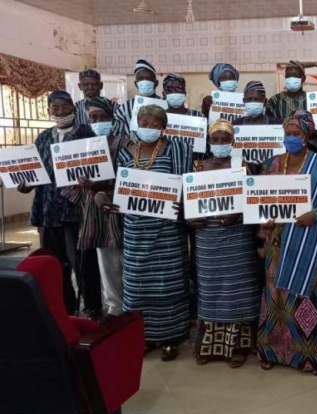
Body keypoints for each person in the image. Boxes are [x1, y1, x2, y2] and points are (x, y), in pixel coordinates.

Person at [97, 105, 193, 361]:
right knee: (137, 285)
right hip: (135, 230)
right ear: (136, 124)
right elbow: (120, 187)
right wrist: (105, 198)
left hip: (167, 231)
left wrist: (182, 202)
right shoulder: (125, 153)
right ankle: (142, 336)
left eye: (154, 124)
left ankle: (170, 337)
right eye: (144, 123)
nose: (149, 128)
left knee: (168, 285)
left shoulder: (177, 148)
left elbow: (185, 184)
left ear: (164, 127)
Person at [257, 110, 317, 375]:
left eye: (296, 133)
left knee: (311, 296)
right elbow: (261, 200)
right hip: (277, 242)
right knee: (276, 296)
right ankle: (272, 351)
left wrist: (316, 213)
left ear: (306, 136)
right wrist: (264, 221)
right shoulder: (271, 165)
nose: (291, 138)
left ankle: (314, 356)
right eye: (288, 134)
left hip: (311, 240)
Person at [187, 119, 259, 367]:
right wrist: (191, 218)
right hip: (207, 239)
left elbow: (255, 200)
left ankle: (239, 346)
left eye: (224, 139)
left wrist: (238, 215)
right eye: (215, 139)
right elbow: (189, 201)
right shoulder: (198, 167)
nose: (219, 143)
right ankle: (209, 346)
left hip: (237, 238)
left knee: (238, 291)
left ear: (233, 142)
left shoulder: (243, 167)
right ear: (209, 141)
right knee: (211, 292)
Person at [17, 91, 96, 314]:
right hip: (48, 211)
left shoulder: (87, 134)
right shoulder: (43, 137)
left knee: (82, 262)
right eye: (55, 108)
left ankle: (92, 308)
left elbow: (97, 167)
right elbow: (36, 170)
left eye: (65, 107)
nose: (60, 112)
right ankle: (64, 309)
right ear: (49, 111)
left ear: (73, 108)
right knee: (55, 263)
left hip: (77, 211)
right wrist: (26, 184)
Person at [61, 97, 129, 317]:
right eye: (94, 118)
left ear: (112, 119)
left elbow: (133, 179)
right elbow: (68, 182)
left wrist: (104, 187)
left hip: (121, 210)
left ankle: (133, 306)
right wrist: (84, 189)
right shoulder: (82, 148)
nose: (99, 121)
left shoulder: (125, 144)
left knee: (128, 260)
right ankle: (114, 307)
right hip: (95, 213)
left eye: (103, 117)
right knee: (106, 262)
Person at [114, 59, 161, 138]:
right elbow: (117, 132)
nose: (144, 81)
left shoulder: (165, 104)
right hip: (133, 145)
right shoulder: (125, 107)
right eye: (141, 78)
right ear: (136, 84)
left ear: (156, 83)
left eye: (148, 78)